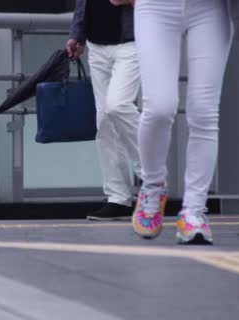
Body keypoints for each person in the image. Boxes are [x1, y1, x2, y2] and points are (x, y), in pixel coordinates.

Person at [131, 0, 237, 244]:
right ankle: (152, 185)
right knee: (159, 106)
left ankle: (194, 210)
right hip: (155, 6)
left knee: (204, 111)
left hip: (212, 7)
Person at [67, 0, 141, 221]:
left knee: (118, 106)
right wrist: (78, 35)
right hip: (96, 45)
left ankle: (152, 173)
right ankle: (118, 198)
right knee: (105, 121)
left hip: (131, 43)